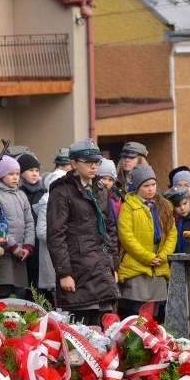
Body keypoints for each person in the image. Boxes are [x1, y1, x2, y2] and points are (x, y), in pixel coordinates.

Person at [46, 139, 120, 325]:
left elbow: (110, 228)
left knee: (100, 328)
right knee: (80, 329)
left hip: (101, 267)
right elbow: (56, 234)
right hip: (77, 269)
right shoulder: (61, 191)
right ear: (73, 164)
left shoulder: (101, 189)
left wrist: (113, 265)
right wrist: (64, 273)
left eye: (97, 162)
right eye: (88, 162)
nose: (94, 166)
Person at [117, 165, 176, 322]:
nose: (151, 189)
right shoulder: (129, 206)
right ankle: (135, 341)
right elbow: (126, 236)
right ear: (137, 187)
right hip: (137, 265)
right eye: (146, 186)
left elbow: (171, 234)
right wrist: (147, 257)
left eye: (153, 185)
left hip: (159, 264)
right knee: (136, 311)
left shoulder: (165, 205)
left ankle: (153, 342)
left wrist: (163, 255)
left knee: (154, 312)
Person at [0, 155, 34, 299]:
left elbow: (29, 222)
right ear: (1, 175)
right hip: (5, 252)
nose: (15, 177)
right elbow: (0, 223)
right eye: (11, 174)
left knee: (20, 291)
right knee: (4, 290)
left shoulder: (21, 195)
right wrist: (13, 247)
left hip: (21, 254)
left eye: (17, 174)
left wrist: (28, 246)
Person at [34, 171, 66, 308]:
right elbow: (41, 231)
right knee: (57, 292)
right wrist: (62, 239)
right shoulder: (47, 201)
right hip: (52, 254)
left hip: (67, 254)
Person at [17, 152, 44, 291]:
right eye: (30, 170)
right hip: (22, 244)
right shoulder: (18, 192)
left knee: (38, 285)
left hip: (39, 245)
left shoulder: (43, 193)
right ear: (21, 172)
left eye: (37, 170)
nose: (34, 174)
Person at [163, 185, 190, 253]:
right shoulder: (168, 222)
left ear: (189, 202)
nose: (182, 208)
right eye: (177, 206)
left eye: (185, 203)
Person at [97, 159, 122, 226]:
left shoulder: (117, 198)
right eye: (103, 178)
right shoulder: (94, 196)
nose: (106, 182)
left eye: (110, 179)